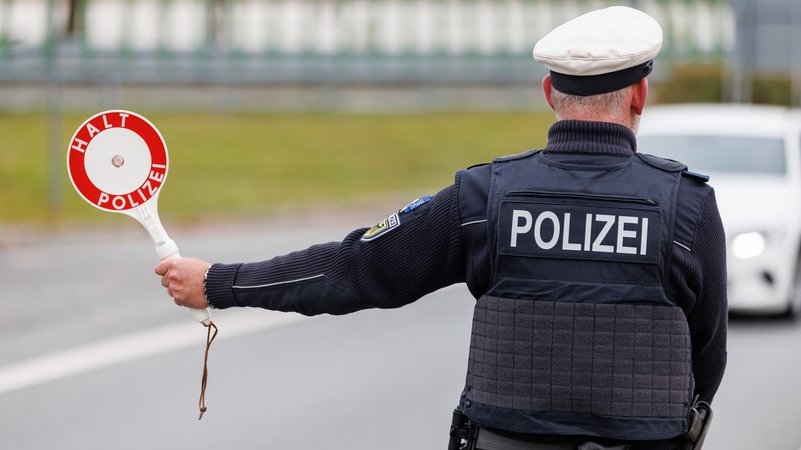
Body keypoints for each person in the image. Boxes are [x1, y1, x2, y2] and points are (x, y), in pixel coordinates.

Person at [156, 6, 727, 449]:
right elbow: (708, 361)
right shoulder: (688, 209)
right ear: (641, 95)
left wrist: (219, 281)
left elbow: (356, 270)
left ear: (550, 93)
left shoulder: (483, 198)